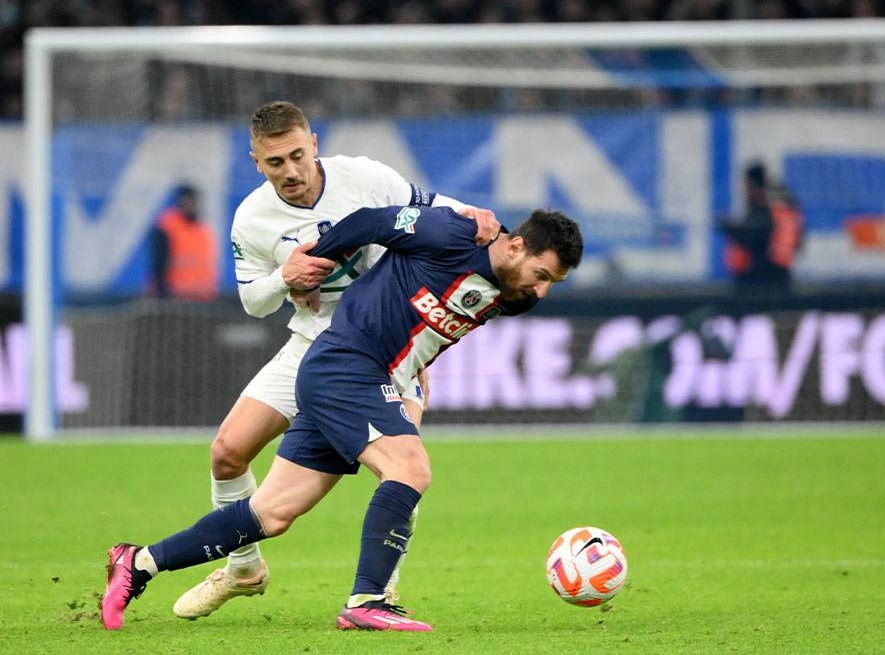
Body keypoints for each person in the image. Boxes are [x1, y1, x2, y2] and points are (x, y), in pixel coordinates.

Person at [101, 205, 583, 632]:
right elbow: (369, 223)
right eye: (541, 274)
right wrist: (317, 264)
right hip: (347, 363)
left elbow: (430, 316)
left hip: (363, 375)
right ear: (515, 245)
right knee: (409, 467)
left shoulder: (514, 296)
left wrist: (420, 363)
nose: (540, 291)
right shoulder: (449, 233)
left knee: (272, 513)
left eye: (552, 284)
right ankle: (369, 600)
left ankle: (138, 562)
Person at [171, 101, 499, 620]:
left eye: (298, 155)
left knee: (402, 469)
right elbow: (252, 300)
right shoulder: (252, 218)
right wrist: (284, 279)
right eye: (275, 162)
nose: (291, 171)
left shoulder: (366, 179)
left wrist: (474, 213)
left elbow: (436, 208)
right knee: (227, 452)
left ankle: (380, 595)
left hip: (389, 348)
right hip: (311, 345)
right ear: (256, 161)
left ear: (314, 144)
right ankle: (243, 569)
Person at [718, 161, 803, 293]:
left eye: (746, 183)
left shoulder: (766, 204)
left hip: (762, 276)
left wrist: (730, 229)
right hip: (775, 272)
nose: (744, 188)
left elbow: (754, 236)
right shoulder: (781, 202)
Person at [150, 184, 219, 301]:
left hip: (203, 298)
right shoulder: (167, 227)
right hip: (174, 298)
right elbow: (159, 266)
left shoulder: (204, 229)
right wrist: (162, 295)